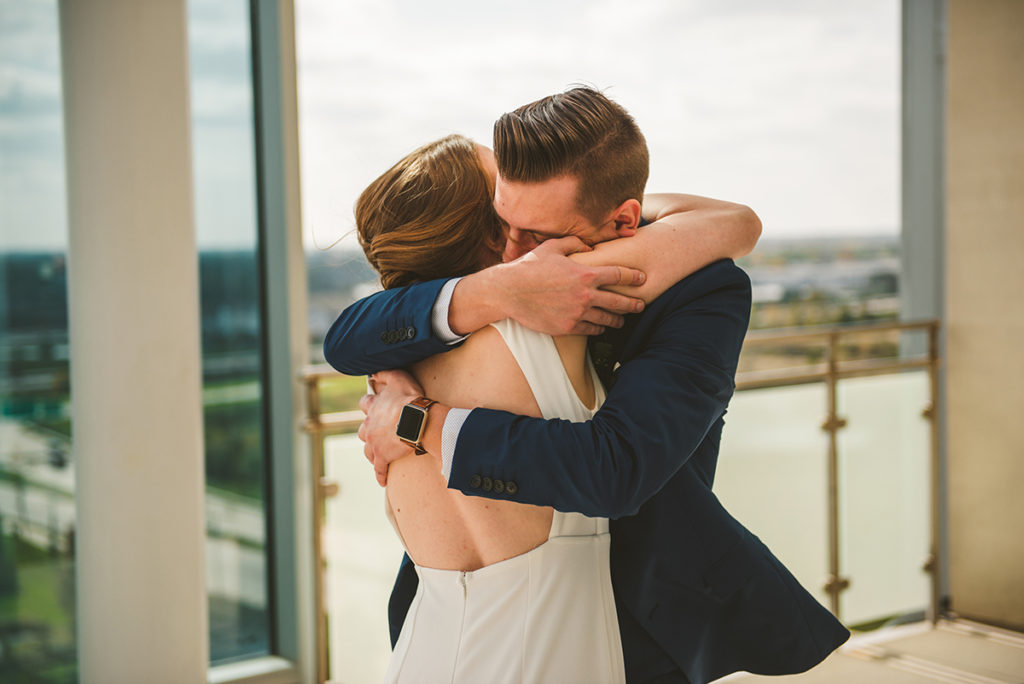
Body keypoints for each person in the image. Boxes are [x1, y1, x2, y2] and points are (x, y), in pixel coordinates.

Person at [327, 87, 850, 683]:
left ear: (624, 220)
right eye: (504, 223)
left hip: (639, 614)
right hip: (472, 617)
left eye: (535, 231)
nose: (520, 254)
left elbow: (616, 469)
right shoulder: (436, 317)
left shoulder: (698, 291)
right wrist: (496, 291)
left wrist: (420, 422)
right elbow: (342, 339)